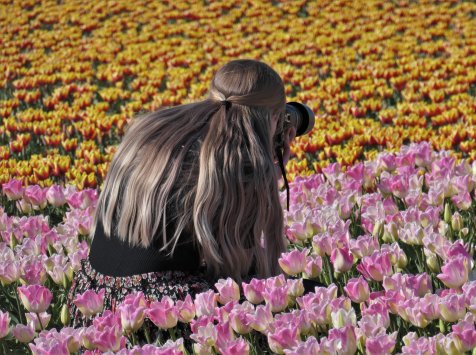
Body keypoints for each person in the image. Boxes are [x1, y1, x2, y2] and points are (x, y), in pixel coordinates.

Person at [67, 59, 323, 328]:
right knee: (310, 296)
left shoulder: (157, 123)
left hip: (91, 301)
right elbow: (234, 269)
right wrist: (269, 171)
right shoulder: (239, 163)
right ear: (273, 119)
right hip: (153, 311)